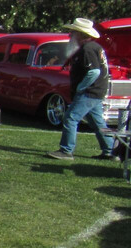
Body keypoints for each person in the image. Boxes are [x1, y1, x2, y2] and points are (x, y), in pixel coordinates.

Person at [47, 17, 116, 161]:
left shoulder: (87, 49)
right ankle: (110, 151)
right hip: (96, 91)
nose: (70, 34)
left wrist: (81, 86)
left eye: (73, 32)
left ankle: (66, 150)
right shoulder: (94, 47)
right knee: (97, 122)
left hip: (89, 92)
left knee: (70, 118)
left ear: (80, 34)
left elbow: (94, 72)